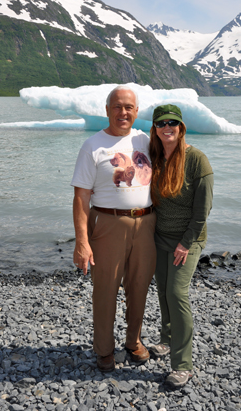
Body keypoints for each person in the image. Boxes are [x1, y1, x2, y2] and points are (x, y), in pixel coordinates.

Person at [71, 85, 156, 372]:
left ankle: (133, 341)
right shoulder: (93, 146)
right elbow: (81, 196)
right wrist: (82, 241)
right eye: (117, 106)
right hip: (108, 223)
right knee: (105, 289)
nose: (123, 112)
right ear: (107, 110)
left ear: (136, 111)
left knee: (139, 286)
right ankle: (104, 349)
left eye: (129, 107)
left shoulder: (145, 140)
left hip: (146, 223)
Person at [149, 104, 213, 388]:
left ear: (181, 127)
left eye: (173, 122)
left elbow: (203, 211)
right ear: (155, 128)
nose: (168, 127)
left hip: (188, 239)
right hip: (159, 236)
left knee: (176, 293)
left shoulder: (197, 159)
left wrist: (186, 244)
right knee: (162, 290)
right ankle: (166, 339)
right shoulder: (154, 157)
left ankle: (183, 365)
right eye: (162, 123)